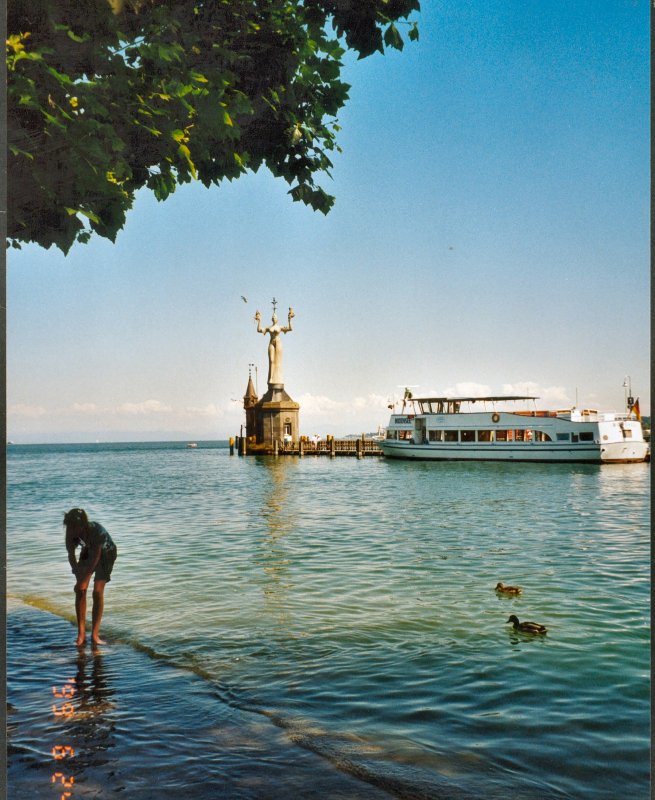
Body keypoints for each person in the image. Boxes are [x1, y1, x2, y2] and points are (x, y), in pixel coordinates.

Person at [64, 508, 117, 646]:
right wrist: (77, 574)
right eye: (69, 526)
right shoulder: (70, 532)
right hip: (88, 551)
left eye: (74, 527)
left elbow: (96, 558)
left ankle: (95, 635)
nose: (71, 530)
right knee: (80, 591)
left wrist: (84, 578)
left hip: (106, 553)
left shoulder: (95, 530)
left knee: (97, 591)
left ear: (83, 524)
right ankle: (81, 634)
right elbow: (71, 555)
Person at [254, 306, 294, 386]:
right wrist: (259, 321)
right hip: (271, 342)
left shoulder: (280, 327)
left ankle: (278, 379)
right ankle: (271, 379)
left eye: (275, 317)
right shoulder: (269, 328)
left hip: (278, 342)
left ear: (277, 319)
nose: (274, 318)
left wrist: (289, 320)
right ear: (271, 319)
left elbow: (290, 328)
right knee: (271, 361)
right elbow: (259, 330)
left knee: (278, 361)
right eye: (273, 317)